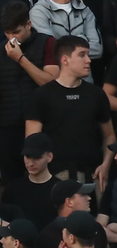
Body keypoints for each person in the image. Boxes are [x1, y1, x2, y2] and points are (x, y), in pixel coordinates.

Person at [27, 36, 114, 183]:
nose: (88, 60)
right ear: (65, 60)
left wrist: (105, 165)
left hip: (92, 174)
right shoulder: (41, 95)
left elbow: (110, 136)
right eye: (82, 55)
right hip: (55, 175)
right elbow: (32, 141)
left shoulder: (96, 94)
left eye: (88, 54)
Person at [0, 4, 59, 176]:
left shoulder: (48, 43)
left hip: (42, 124)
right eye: (8, 33)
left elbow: (51, 83)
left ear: (28, 24)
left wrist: (20, 59)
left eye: (16, 32)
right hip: (7, 126)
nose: (12, 38)